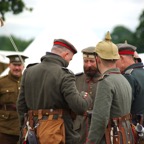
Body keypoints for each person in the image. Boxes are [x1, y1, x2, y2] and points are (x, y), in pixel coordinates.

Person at [17, 38, 92, 144]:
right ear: (65, 55)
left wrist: (24, 128)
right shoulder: (64, 74)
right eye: (70, 59)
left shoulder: (29, 71)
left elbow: (21, 105)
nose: (68, 63)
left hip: (32, 132)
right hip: (57, 134)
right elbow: (79, 107)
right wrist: (85, 96)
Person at [86, 32, 135, 144]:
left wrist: (91, 142)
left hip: (112, 138)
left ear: (97, 59)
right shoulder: (123, 79)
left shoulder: (106, 82)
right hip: (125, 137)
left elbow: (100, 120)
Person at [73, 46, 100, 144]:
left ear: (98, 61)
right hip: (79, 131)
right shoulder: (75, 80)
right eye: (85, 61)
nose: (88, 65)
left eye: (92, 61)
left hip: (98, 131)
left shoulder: (105, 80)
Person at [0, 54, 28, 144]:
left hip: (24, 128)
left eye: (19, 65)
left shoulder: (28, 81)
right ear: (9, 65)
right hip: (4, 129)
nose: (17, 68)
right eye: (14, 65)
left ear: (23, 66)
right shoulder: (2, 82)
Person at [116, 42, 144, 124]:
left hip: (136, 128)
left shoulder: (128, 77)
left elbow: (123, 108)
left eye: (114, 60)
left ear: (121, 58)